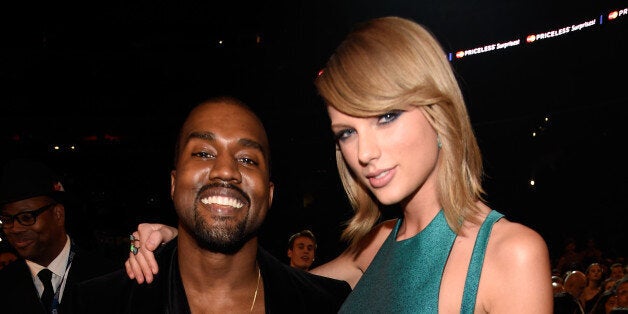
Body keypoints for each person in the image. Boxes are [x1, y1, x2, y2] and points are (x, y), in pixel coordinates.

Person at [124, 16, 553, 312]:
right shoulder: (376, 244)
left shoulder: (510, 255)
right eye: (346, 133)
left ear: (438, 110)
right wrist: (184, 237)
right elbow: (264, 284)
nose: (363, 152)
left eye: (386, 117)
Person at [69, 96, 351, 313]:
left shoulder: (328, 305)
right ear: (173, 183)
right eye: (203, 153)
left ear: (270, 193)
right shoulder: (97, 303)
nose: (225, 171)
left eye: (247, 159)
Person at [0, 158, 117, 314]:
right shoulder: (4, 284)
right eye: (7, 220)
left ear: (58, 214)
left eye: (27, 217)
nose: (14, 229)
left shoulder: (110, 278)